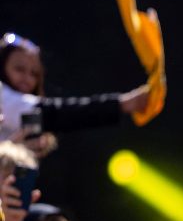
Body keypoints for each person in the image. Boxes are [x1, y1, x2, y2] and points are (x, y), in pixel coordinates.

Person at [0, 32, 151, 152]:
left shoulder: (19, 113)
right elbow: (59, 115)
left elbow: (49, 120)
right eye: (19, 69)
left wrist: (23, 147)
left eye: (34, 74)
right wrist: (123, 104)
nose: (27, 79)